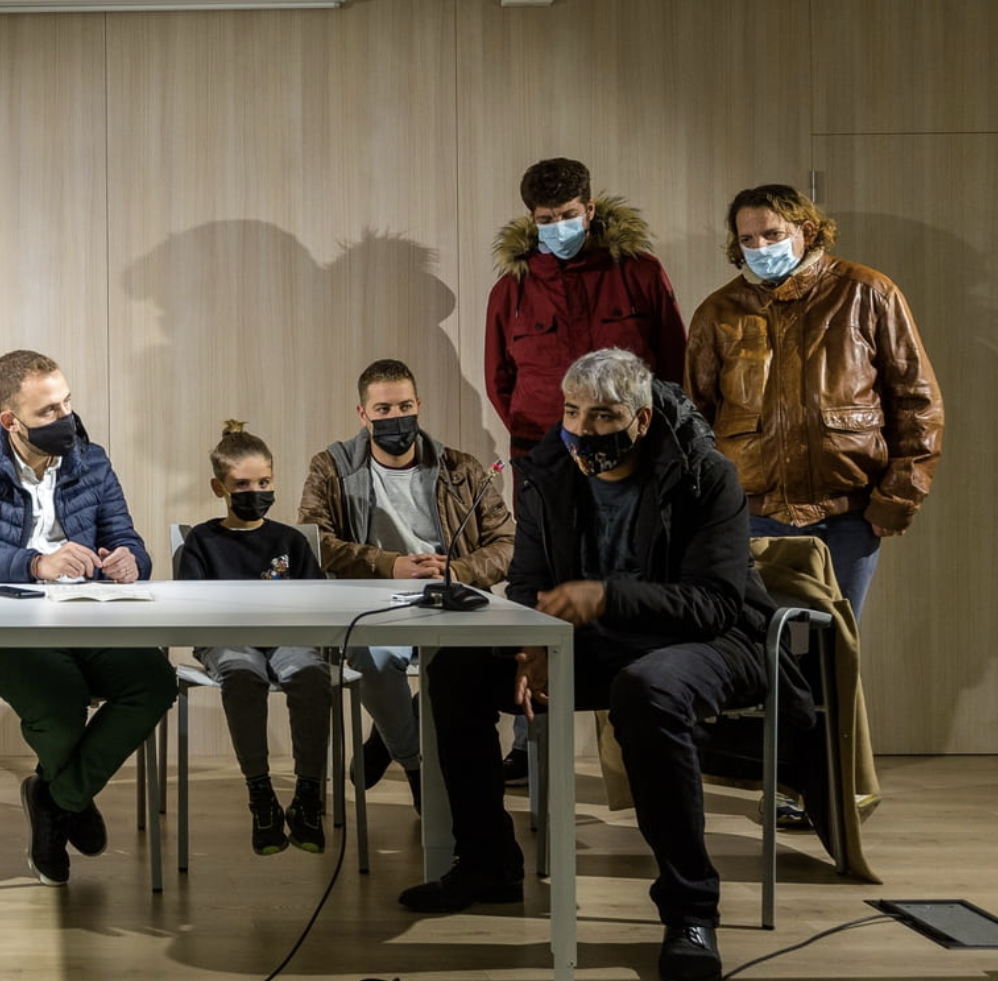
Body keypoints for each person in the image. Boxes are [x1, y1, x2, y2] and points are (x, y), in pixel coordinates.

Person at [403, 349, 779, 981]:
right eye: (573, 412)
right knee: (458, 668)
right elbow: (528, 582)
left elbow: (714, 604)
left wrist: (604, 596)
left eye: (604, 416)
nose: (584, 430)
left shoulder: (705, 475)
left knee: (648, 689)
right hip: (593, 638)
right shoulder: (548, 472)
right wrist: (534, 645)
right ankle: (488, 863)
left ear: (642, 418)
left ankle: (690, 910)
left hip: (712, 642)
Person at [0, 349, 176, 887]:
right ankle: (71, 799)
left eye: (67, 403)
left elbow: (127, 539)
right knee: (60, 700)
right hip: (1, 631)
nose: (66, 420)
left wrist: (131, 559)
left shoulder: (92, 460)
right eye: (48, 412)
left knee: (154, 682)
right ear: (9, 420)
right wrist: (36, 564)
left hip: (89, 618)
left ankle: (54, 799)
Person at [485, 156, 685, 781]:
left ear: (590, 211)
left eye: (569, 216)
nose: (558, 227)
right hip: (543, 463)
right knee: (540, 593)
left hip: (632, 461)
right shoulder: (512, 289)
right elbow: (501, 381)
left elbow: (672, 367)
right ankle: (528, 738)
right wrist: (546, 438)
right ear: (531, 220)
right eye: (547, 220)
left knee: (630, 582)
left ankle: (645, 734)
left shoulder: (640, 274)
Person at [686, 183, 943, 618]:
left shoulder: (868, 292)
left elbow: (917, 403)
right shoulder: (718, 311)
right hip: (753, 517)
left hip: (847, 516)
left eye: (771, 234)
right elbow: (695, 420)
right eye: (747, 239)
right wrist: (708, 512)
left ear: (806, 230)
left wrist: (897, 499)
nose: (759, 247)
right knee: (758, 650)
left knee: (833, 649)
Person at [297, 359, 514, 811]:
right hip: (374, 602)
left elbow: (509, 541)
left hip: (450, 599)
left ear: (419, 405)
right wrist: (388, 563)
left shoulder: (462, 468)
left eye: (405, 405)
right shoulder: (332, 467)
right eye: (383, 409)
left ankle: (385, 741)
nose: (395, 418)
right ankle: (416, 768)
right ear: (363, 415)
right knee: (372, 660)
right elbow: (314, 543)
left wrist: (462, 571)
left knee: (463, 675)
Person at [176, 420, 331, 855]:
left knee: (311, 675)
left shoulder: (290, 541)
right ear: (219, 486)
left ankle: (308, 796)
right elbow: (190, 606)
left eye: (263, 482)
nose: (255, 492)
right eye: (242, 484)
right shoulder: (202, 542)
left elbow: (318, 601)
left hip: (287, 636)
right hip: (227, 639)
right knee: (243, 674)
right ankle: (260, 794)